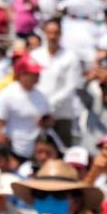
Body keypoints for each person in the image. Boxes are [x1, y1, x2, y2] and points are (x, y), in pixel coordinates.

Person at [29, 18, 83, 147]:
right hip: (37, 113)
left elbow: (71, 86)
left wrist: (49, 106)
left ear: (60, 34)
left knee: (62, 151)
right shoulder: (35, 55)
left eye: (56, 33)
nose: (53, 37)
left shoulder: (70, 57)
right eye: (50, 33)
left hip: (61, 114)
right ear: (45, 34)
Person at [0, 56, 51, 160]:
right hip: (13, 151)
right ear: (22, 74)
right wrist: (5, 156)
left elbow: (49, 121)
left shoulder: (41, 95)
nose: (37, 76)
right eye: (33, 73)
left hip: (36, 153)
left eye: (37, 73)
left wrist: (46, 122)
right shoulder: (7, 94)